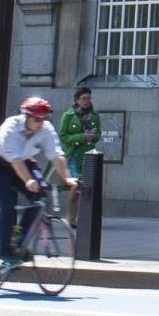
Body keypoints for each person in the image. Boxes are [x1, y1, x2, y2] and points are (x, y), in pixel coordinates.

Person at [0, 96, 75, 271]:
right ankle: (6, 253)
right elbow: (14, 159)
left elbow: (56, 155)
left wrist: (67, 178)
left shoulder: (46, 129)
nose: (40, 123)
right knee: (8, 204)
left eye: (43, 119)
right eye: (36, 119)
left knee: (40, 199)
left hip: (23, 161)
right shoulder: (11, 126)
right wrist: (28, 180)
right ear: (26, 116)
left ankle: (20, 242)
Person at [58, 87, 100, 223]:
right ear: (77, 100)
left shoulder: (95, 115)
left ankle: (86, 218)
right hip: (73, 156)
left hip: (88, 156)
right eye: (84, 98)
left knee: (88, 188)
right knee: (75, 187)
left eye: (89, 98)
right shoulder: (68, 115)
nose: (87, 101)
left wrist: (93, 137)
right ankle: (71, 218)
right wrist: (81, 136)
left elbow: (98, 134)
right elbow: (63, 136)